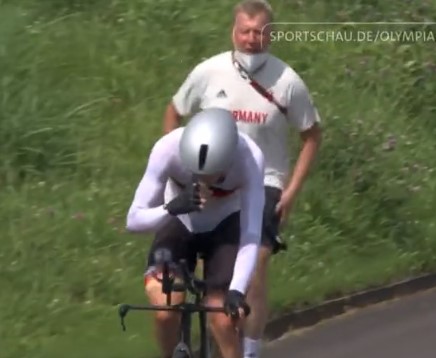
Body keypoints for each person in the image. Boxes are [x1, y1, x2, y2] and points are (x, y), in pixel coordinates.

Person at [161, 1, 322, 357]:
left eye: (260, 32)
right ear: (234, 31)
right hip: (210, 175)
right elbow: (174, 111)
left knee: (255, 264)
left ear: (271, 34)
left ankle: (249, 349)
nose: (252, 40)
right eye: (245, 31)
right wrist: (178, 169)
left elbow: (311, 134)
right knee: (210, 257)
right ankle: (211, 336)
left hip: (264, 179)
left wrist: (291, 191)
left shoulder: (287, 82)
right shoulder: (209, 72)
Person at [125, 107, 266, 358]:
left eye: (212, 175)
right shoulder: (167, 148)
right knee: (165, 312)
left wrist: (236, 289)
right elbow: (133, 220)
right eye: (194, 172)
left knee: (224, 320)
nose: (203, 180)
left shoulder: (250, 158)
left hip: (226, 225)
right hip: (179, 221)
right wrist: (171, 208)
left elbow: (251, 233)